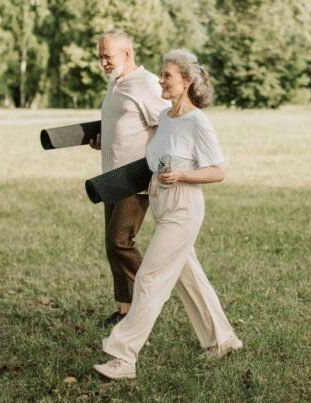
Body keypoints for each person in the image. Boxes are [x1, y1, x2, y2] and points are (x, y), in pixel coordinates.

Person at [94, 49, 242, 380]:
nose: (160, 81)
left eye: (167, 76)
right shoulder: (166, 117)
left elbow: (218, 171)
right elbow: (149, 153)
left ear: (187, 81)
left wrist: (183, 176)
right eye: (161, 75)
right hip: (163, 205)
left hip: (184, 208)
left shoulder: (196, 122)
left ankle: (123, 357)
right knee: (189, 279)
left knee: (148, 278)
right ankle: (223, 339)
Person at [90, 30, 170, 327]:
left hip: (134, 178)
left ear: (127, 52)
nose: (103, 63)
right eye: (100, 56)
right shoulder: (116, 84)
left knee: (119, 240)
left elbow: (168, 125)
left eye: (107, 56)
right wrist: (103, 138)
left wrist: (157, 166)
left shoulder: (147, 84)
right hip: (111, 176)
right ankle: (125, 311)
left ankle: (153, 296)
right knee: (112, 244)